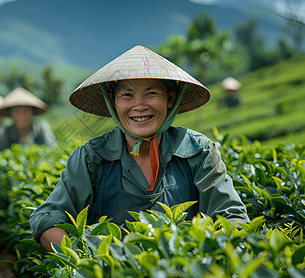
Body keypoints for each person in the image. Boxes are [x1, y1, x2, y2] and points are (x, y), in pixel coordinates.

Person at [29, 45, 249, 252]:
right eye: (127, 94)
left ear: (170, 98)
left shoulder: (198, 152)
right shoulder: (91, 158)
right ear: (112, 101)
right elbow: (47, 219)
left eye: (151, 93)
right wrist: (95, 258)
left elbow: (231, 216)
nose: (139, 105)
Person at [0, 87, 57, 162]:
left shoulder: (41, 126)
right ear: (11, 114)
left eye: (25, 111)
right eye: (17, 111)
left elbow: (52, 148)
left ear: (32, 113)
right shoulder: (8, 131)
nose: (22, 116)